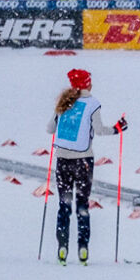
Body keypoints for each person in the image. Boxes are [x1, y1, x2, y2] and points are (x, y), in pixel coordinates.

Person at [47, 68, 124, 264]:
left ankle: (62, 248)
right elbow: (99, 130)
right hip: (84, 161)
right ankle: (83, 248)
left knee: (64, 204)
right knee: (82, 204)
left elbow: (50, 129)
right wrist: (117, 129)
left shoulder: (64, 101)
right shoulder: (92, 103)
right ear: (88, 84)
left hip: (62, 159)